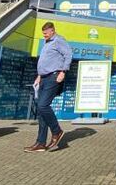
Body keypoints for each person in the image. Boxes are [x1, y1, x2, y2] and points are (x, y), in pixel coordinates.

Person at [24, 22, 72, 153]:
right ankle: (40, 143)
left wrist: (63, 72)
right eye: (43, 33)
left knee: (43, 105)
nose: (44, 35)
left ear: (52, 31)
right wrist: (39, 76)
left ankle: (57, 131)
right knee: (41, 112)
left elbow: (68, 55)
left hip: (54, 76)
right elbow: (46, 61)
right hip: (44, 78)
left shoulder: (59, 40)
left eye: (46, 33)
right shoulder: (47, 43)